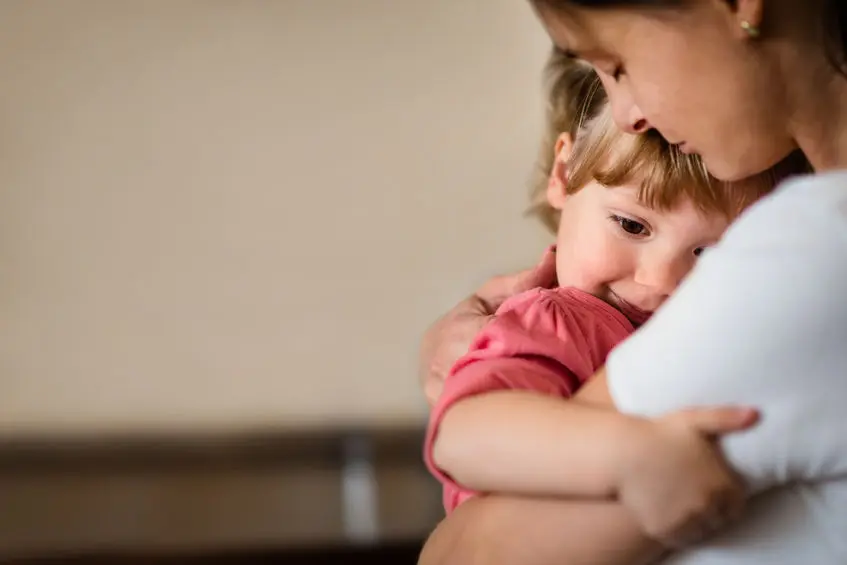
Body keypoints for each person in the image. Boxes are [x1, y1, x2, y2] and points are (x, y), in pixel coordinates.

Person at [417, 0, 847, 564]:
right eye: (631, 225)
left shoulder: (810, 253)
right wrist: (631, 455)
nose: (659, 278)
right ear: (563, 176)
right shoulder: (565, 317)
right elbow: (461, 434)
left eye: (619, 63)